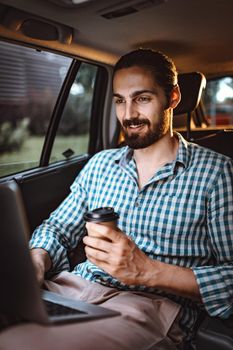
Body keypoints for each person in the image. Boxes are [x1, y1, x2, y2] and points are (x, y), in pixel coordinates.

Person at [1, 49, 233, 350]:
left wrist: (148, 271)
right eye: (120, 100)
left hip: (149, 308)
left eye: (142, 98)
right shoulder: (100, 164)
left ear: (173, 97)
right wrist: (36, 259)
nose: (128, 114)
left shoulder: (217, 172)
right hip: (70, 289)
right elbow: (57, 228)